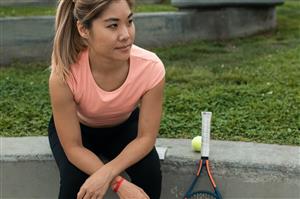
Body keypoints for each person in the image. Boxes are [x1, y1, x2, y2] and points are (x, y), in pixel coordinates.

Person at [48, 0, 165, 199]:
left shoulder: (151, 67)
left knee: (150, 173)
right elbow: (73, 147)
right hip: (80, 131)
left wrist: (108, 173)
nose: (126, 35)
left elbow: (146, 138)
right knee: (74, 181)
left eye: (129, 21)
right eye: (113, 25)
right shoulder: (64, 75)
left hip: (123, 126)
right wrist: (119, 183)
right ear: (84, 29)